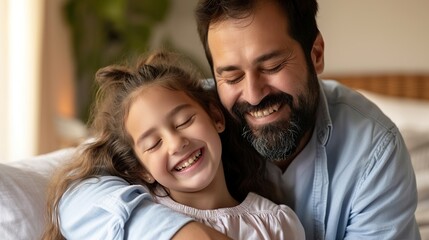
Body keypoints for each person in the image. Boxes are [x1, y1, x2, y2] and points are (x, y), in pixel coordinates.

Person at [194, 0, 421, 239]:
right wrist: (180, 229)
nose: (253, 95)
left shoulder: (376, 150)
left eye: (272, 66)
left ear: (316, 55)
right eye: (232, 77)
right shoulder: (189, 119)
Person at [42, 50, 305, 240]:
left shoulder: (276, 224)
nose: (176, 143)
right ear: (142, 169)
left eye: (183, 121)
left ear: (215, 117)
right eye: (154, 143)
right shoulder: (139, 220)